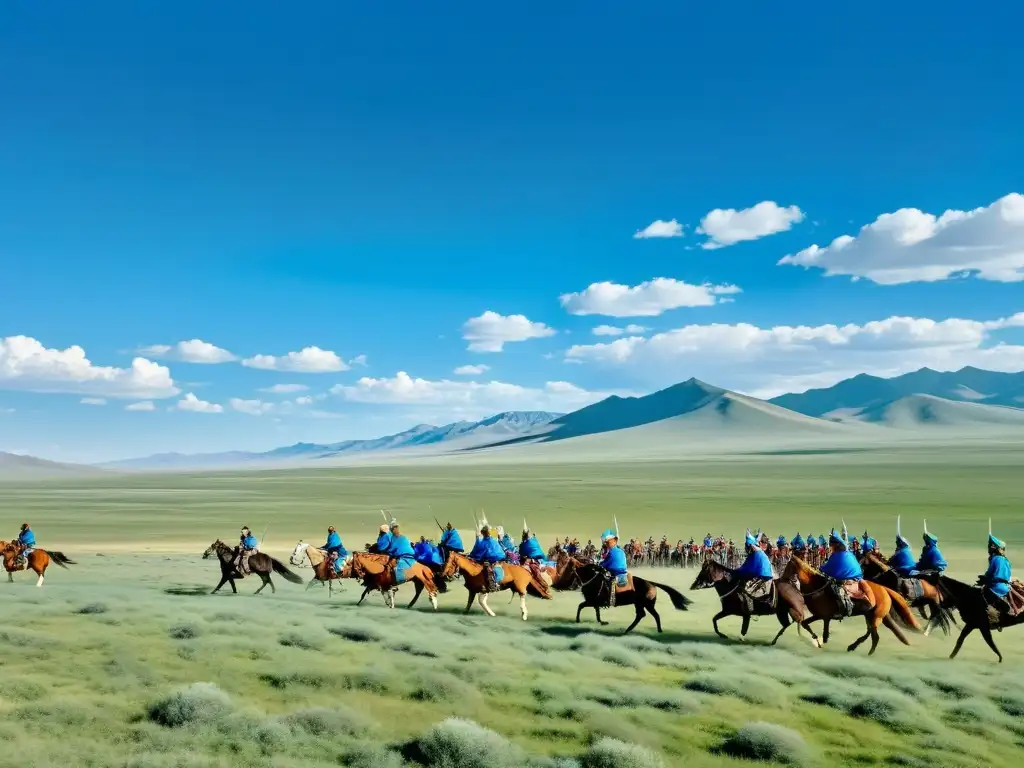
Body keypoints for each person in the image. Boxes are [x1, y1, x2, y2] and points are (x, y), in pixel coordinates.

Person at [820, 526, 868, 616]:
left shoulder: (838, 555)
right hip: (856, 577)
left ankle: (843, 610)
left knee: (836, 590)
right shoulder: (847, 553)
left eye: (832, 545)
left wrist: (821, 569)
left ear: (836, 545)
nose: (830, 547)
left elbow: (828, 569)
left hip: (850, 580)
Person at [978, 526, 1013, 621]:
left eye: (990, 546)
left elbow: (991, 575)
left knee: (978, 597)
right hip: (1006, 587)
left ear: (994, 548)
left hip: (996, 586)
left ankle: (992, 619)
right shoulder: (1006, 560)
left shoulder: (995, 559)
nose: (988, 548)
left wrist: (984, 579)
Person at [735, 530, 775, 606]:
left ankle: (750, 604)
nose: (766, 544)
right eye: (764, 542)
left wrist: (750, 540)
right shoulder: (759, 552)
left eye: (766, 542)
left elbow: (752, 545)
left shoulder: (758, 551)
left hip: (764, 575)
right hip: (766, 573)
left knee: (747, 589)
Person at [469, 523, 506, 592]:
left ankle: (494, 584)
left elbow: (492, 551)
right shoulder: (483, 541)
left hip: (494, 559)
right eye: (485, 532)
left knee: (492, 570)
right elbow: (477, 549)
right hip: (485, 559)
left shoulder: (492, 540)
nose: (486, 533)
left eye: (486, 532)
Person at [599, 528, 628, 606]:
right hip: (624, 572)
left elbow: (607, 563)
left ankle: (607, 599)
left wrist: (599, 565)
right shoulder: (621, 551)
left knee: (602, 581)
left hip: (616, 573)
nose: (607, 544)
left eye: (608, 543)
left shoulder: (612, 551)